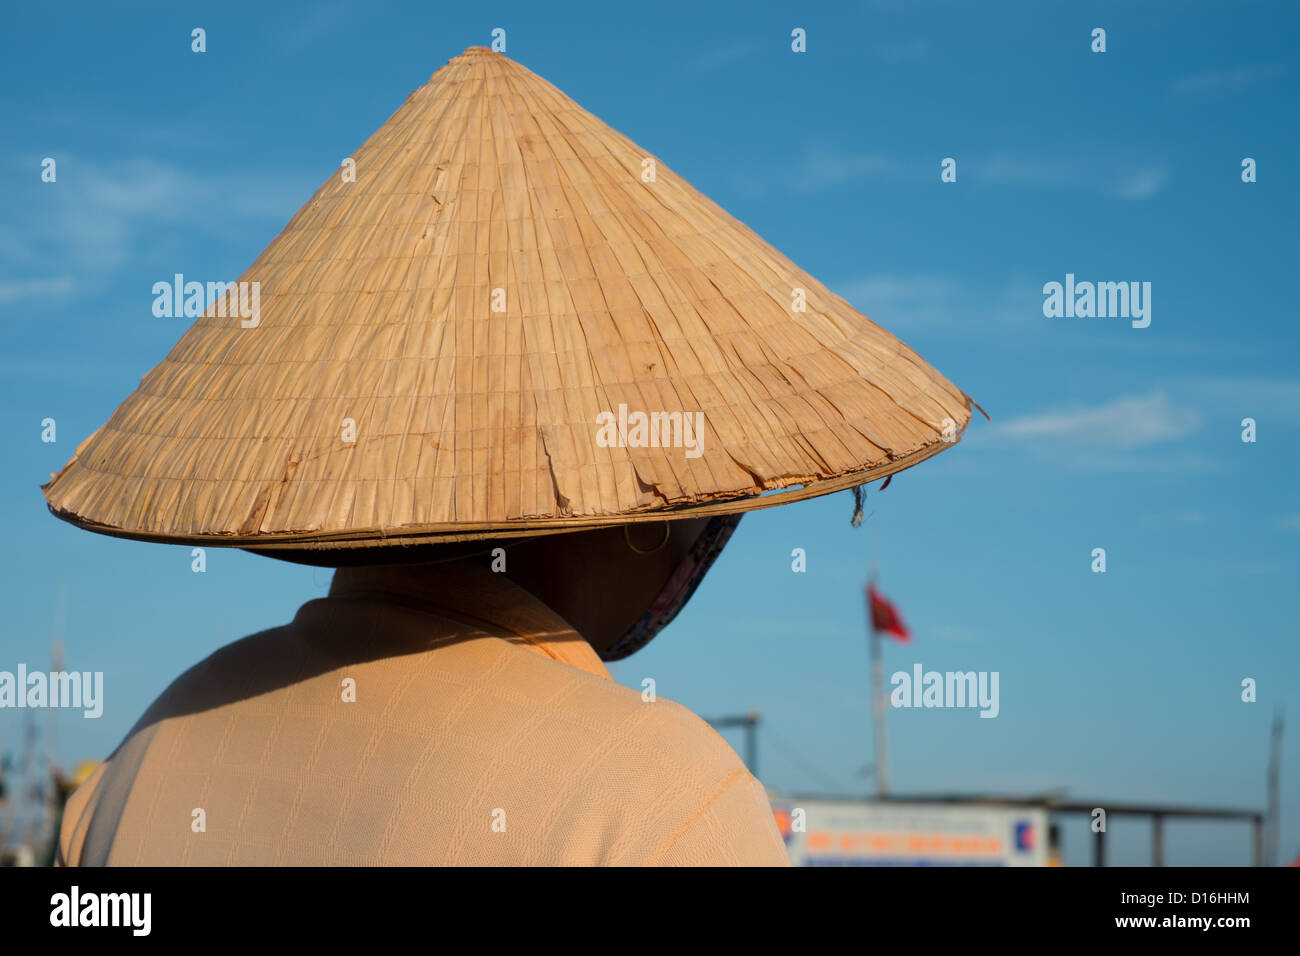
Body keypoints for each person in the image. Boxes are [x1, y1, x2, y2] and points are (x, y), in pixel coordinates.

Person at [45, 47, 973, 866]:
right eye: (693, 488)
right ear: (620, 504)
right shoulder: (659, 802)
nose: (705, 524)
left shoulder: (150, 753)